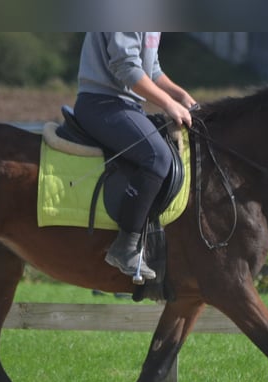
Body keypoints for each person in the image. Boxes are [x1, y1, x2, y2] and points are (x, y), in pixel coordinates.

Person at [74, 32, 197, 281]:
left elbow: (151, 69)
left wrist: (180, 95)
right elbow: (126, 67)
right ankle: (125, 246)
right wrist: (168, 104)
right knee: (158, 157)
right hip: (102, 104)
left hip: (127, 106)